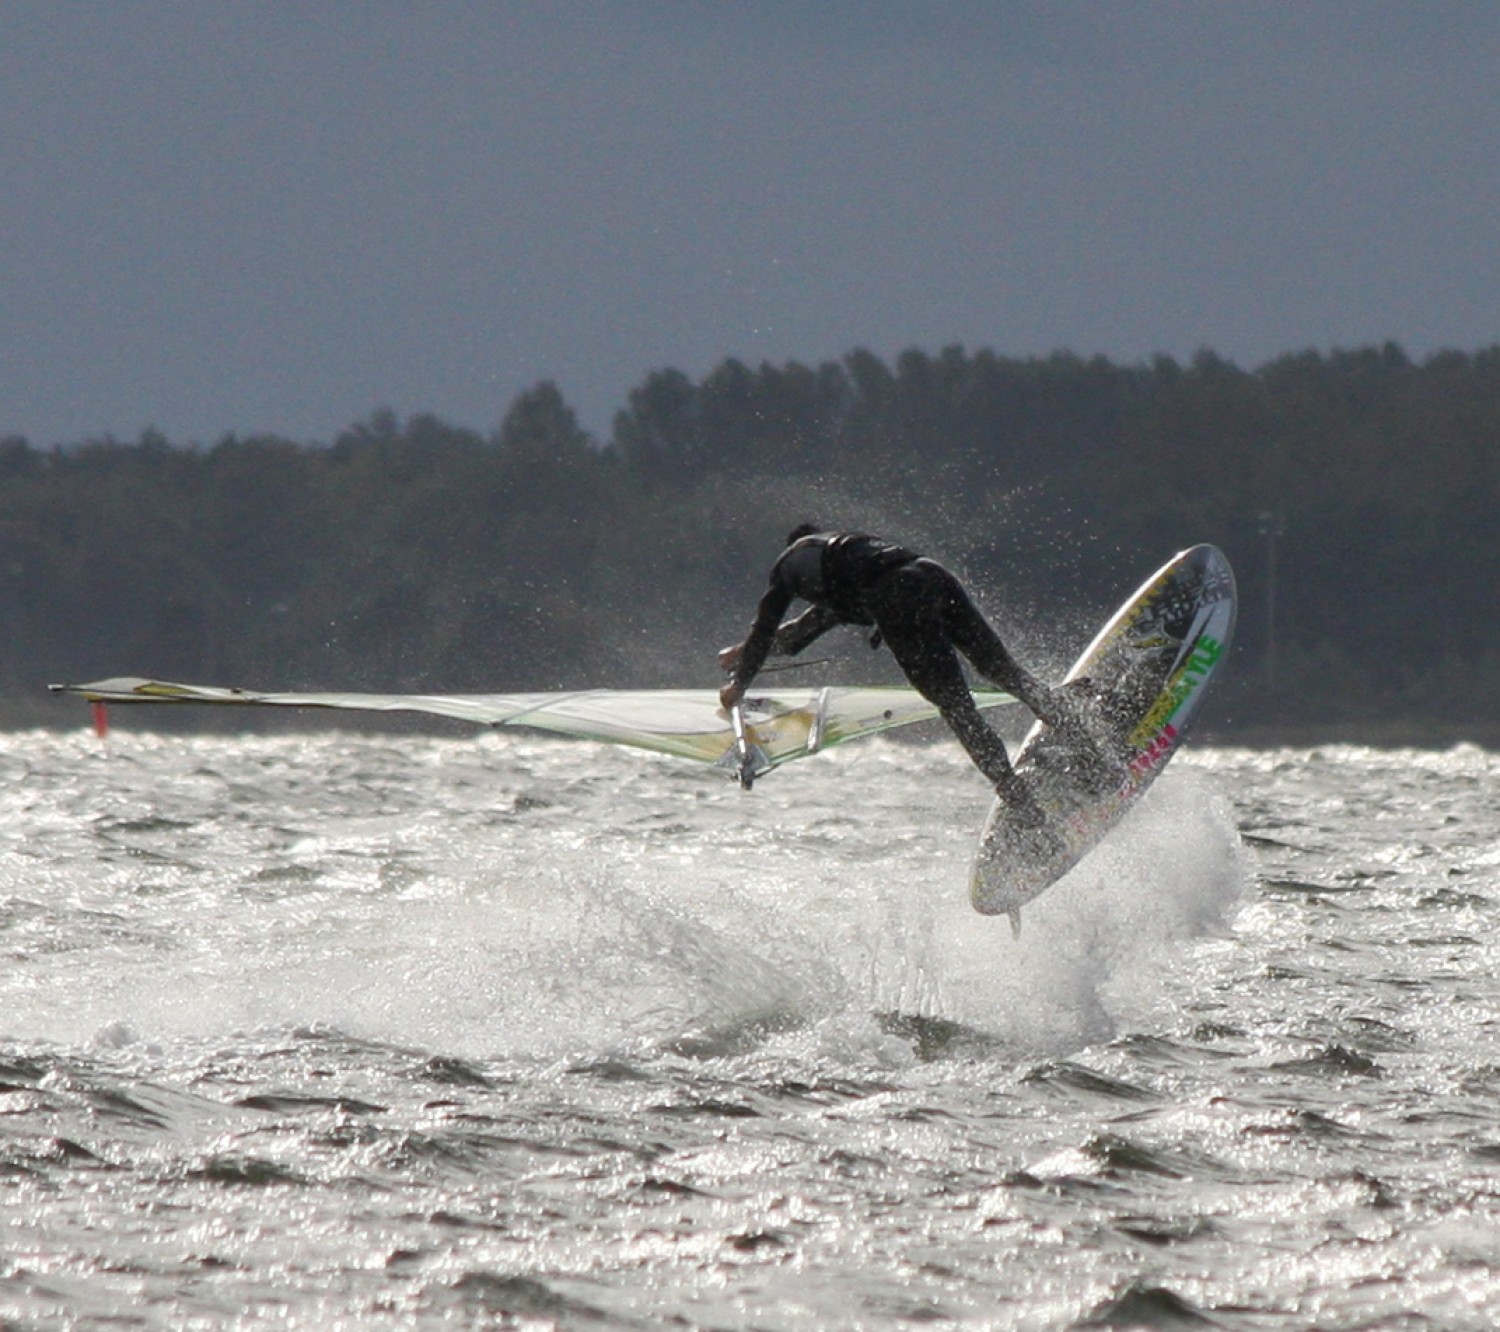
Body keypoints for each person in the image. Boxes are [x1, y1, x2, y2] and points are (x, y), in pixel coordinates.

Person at [718, 525, 1100, 825]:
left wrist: (739, 684)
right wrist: (745, 652)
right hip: (931, 574)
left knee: (956, 706)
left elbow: (768, 627)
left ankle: (1017, 798)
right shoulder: (845, 557)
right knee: (1005, 673)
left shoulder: (787, 569)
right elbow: (799, 632)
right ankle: (1084, 740)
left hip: (897, 595)